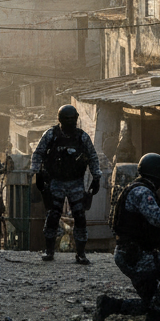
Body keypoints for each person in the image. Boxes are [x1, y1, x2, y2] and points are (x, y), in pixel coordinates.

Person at [94, 152, 160, 321]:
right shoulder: (142, 192)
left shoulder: (134, 188)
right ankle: (155, 317)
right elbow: (158, 219)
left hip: (129, 254)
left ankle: (108, 305)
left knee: (151, 302)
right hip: (136, 256)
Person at [31, 104, 101, 265]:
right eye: (67, 119)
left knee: (80, 217)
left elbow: (92, 157)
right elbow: (38, 153)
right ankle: (49, 250)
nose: (71, 122)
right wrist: (37, 173)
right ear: (60, 120)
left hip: (75, 182)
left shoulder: (82, 137)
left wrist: (97, 177)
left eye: (73, 119)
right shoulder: (51, 135)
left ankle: (81, 253)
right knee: (53, 216)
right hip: (56, 182)